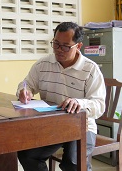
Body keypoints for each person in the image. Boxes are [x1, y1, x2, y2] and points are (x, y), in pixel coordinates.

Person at [16, 22, 106, 171]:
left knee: (73, 163)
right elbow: (26, 84)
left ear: (78, 46)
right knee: (27, 155)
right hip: (52, 124)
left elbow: (99, 105)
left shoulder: (90, 69)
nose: (59, 50)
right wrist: (24, 91)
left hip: (82, 126)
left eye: (65, 46)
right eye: (56, 44)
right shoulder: (43, 64)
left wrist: (79, 103)